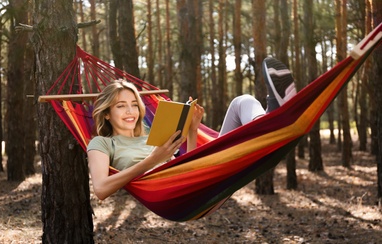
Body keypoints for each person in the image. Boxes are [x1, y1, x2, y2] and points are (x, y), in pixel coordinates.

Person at [87, 57, 296, 200]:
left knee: (243, 100)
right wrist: (153, 159)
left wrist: (193, 130)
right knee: (244, 108)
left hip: (196, 178)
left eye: (134, 104)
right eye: (121, 106)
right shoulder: (102, 143)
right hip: (180, 194)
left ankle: (267, 119)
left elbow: (187, 167)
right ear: (107, 113)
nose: (130, 111)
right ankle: (270, 125)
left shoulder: (151, 134)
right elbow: (101, 189)